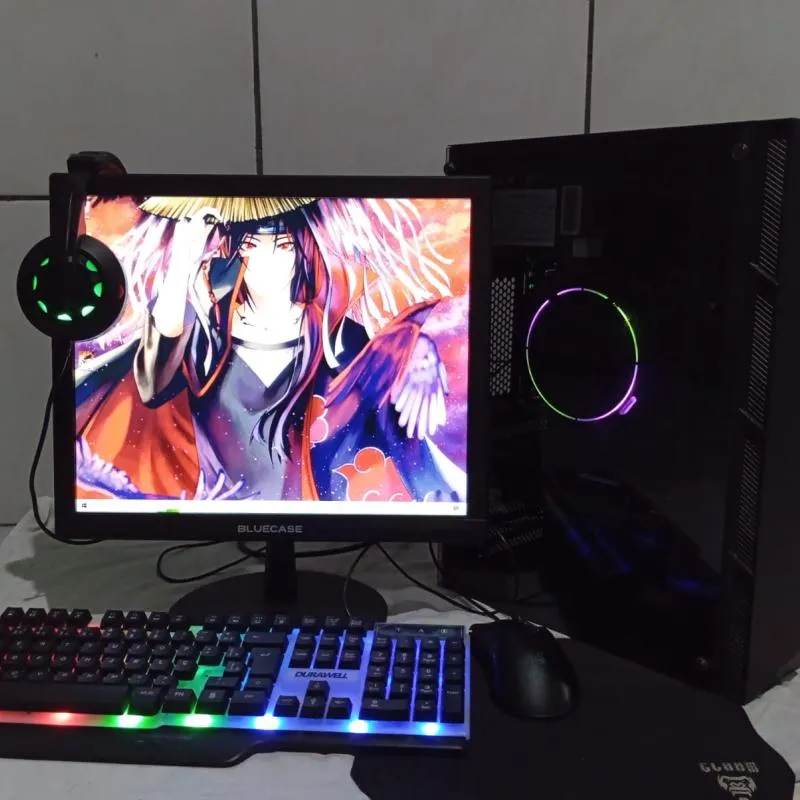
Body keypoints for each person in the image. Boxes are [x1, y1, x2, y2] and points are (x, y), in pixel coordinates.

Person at [75, 196, 467, 505]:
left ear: (301, 249)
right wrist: (181, 263)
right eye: (252, 241)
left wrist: (416, 348)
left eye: (283, 241)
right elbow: (152, 385)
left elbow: (374, 378)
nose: (269, 254)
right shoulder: (207, 328)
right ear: (235, 249)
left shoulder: (332, 335)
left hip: (317, 514)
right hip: (216, 515)